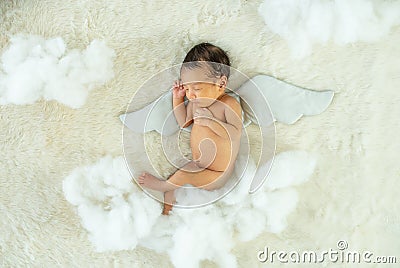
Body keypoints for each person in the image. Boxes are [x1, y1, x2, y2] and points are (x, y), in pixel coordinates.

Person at [138, 43, 242, 215]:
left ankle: (162, 185)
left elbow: (235, 133)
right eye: (187, 88)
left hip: (218, 173)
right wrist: (177, 99)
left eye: (197, 88)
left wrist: (210, 122)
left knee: (182, 177)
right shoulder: (195, 103)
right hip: (197, 165)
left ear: (221, 83)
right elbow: (184, 122)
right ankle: (167, 210)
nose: (191, 94)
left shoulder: (228, 105)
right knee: (179, 181)